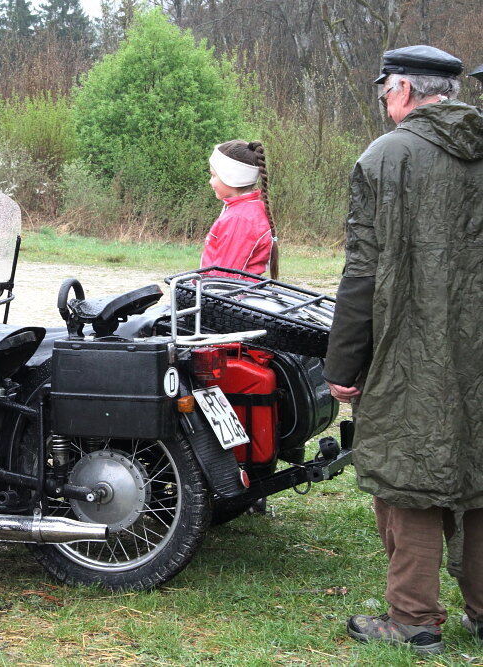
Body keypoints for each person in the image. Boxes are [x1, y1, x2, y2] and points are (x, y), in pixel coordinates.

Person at [323, 45, 483, 655]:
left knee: (406, 471)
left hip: (407, 348)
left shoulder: (385, 157)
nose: (383, 98)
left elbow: (361, 271)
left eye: (384, 88)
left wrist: (343, 364)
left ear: (406, 90)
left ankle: (414, 616)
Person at [200, 140, 279, 279]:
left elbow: (224, 276)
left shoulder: (240, 219)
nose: (210, 181)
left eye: (214, 175)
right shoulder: (247, 209)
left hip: (229, 296)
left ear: (231, 177)